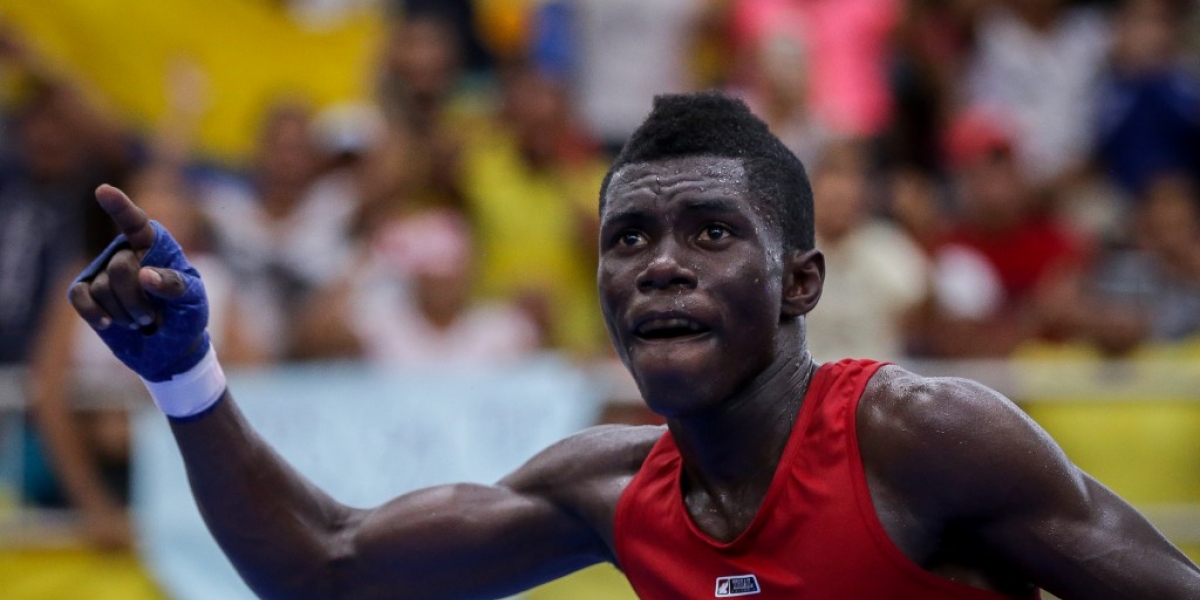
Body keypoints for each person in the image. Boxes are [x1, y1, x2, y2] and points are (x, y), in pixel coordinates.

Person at [67, 92, 1198, 598]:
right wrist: (185, 379)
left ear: (803, 279)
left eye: (711, 232)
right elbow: (327, 570)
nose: (660, 263)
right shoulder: (607, 489)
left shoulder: (927, 439)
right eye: (629, 238)